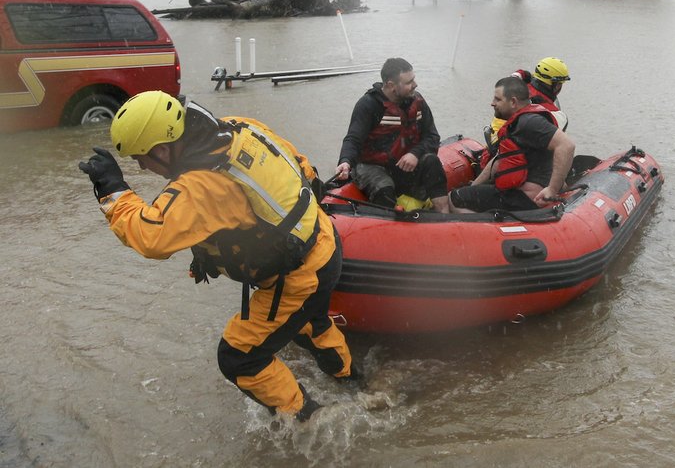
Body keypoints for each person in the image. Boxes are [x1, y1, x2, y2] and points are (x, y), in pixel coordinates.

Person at [78, 91, 356, 421]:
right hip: (322, 240)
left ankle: (308, 420)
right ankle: (352, 382)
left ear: (164, 149)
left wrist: (113, 190)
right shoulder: (239, 127)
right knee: (311, 322)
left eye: (142, 159)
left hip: (300, 274)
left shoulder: (201, 185)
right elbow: (302, 166)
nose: (143, 167)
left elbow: (150, 236)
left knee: (238, 357)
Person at [334, 57, 450, 213]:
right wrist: (345, 161)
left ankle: (444, 215)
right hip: (372, 167)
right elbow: (353, 139)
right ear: (391, 85)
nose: (415, 84)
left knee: (432, 162)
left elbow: (432, 137)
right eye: (409, 82)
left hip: (405, 164)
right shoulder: (368, 105)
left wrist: (415, 154)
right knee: (384, 189)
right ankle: (392, 221)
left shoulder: (418, 101)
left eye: (413, 79)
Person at [450, 76, 575, 213]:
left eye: (498, 99)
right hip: (524, 192)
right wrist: (473, 187)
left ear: (513, 102)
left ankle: (482, 230)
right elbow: (498, 162)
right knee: (468, 193)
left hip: (527, 197)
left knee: (453, 198)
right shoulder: (519, 123)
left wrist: (552, 189)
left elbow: (566, 145)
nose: (492, 103)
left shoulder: (528, 122)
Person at [486, 57, 571, 157]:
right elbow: (555, 141)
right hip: (504, 147)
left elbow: (521, 74)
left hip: (494, 133)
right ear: (556, 86)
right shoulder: (552, 112)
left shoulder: (520, 85)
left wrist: (523, 74)